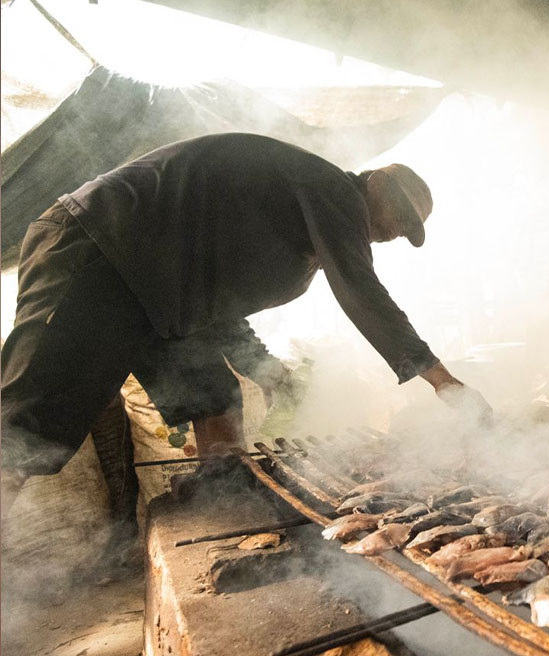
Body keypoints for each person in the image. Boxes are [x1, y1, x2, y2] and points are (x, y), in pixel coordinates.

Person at [1, 133, 491, 517]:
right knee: (28, 423)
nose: (396, 233)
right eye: (401, 217)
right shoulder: (336, 190)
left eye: (409, 230)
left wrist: (267, 370)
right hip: (98, 248)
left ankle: (220, 491)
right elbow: (360, 290)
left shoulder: (305, 227)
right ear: (376, 184)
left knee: (214, 395)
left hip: (156, 291)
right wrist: (440, 379)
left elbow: (216, 308)